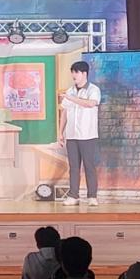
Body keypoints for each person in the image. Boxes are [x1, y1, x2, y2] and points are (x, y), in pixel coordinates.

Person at [58, 61, 101, 207]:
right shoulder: (70, 90)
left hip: (87, 135)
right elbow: (64, 113)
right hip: (72, 135)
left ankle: (92, 196)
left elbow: (90, 104)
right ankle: (73, 196)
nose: (73, 75)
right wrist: (60, 132)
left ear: (84, 73)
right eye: (72, 72)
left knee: (89, 166)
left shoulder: (93, 89)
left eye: (76, 72)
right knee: (73, 167)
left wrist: (70, 98)